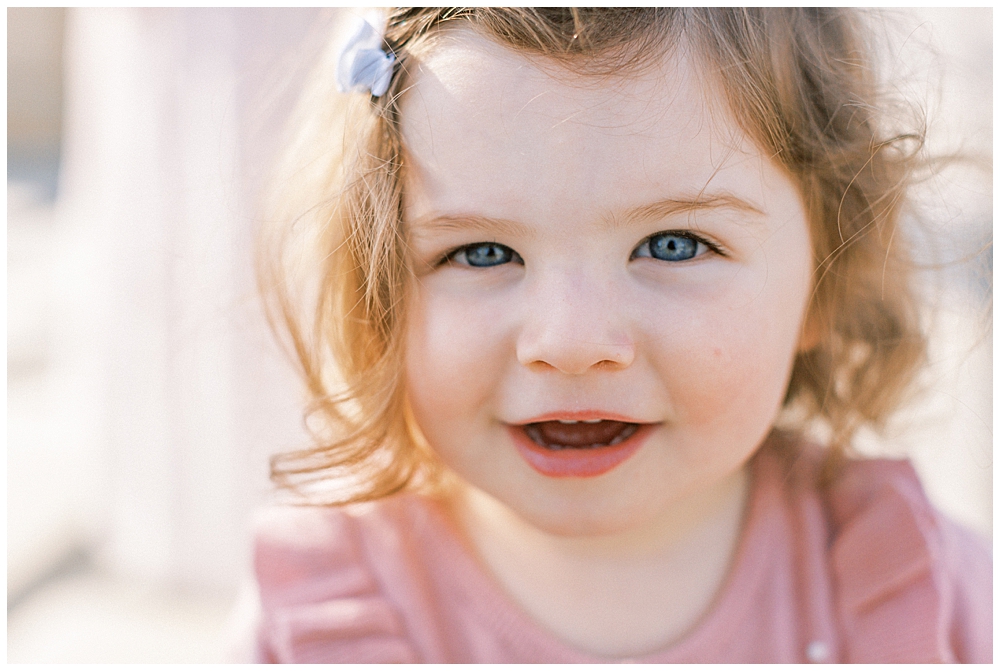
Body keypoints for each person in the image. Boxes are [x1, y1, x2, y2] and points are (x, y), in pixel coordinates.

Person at [248, 8, 991, 663]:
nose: (571, 342)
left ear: (829, 276)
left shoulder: (922, 594)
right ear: (373, 288)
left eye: (673, 244)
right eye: (481, 253)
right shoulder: (322, 622)